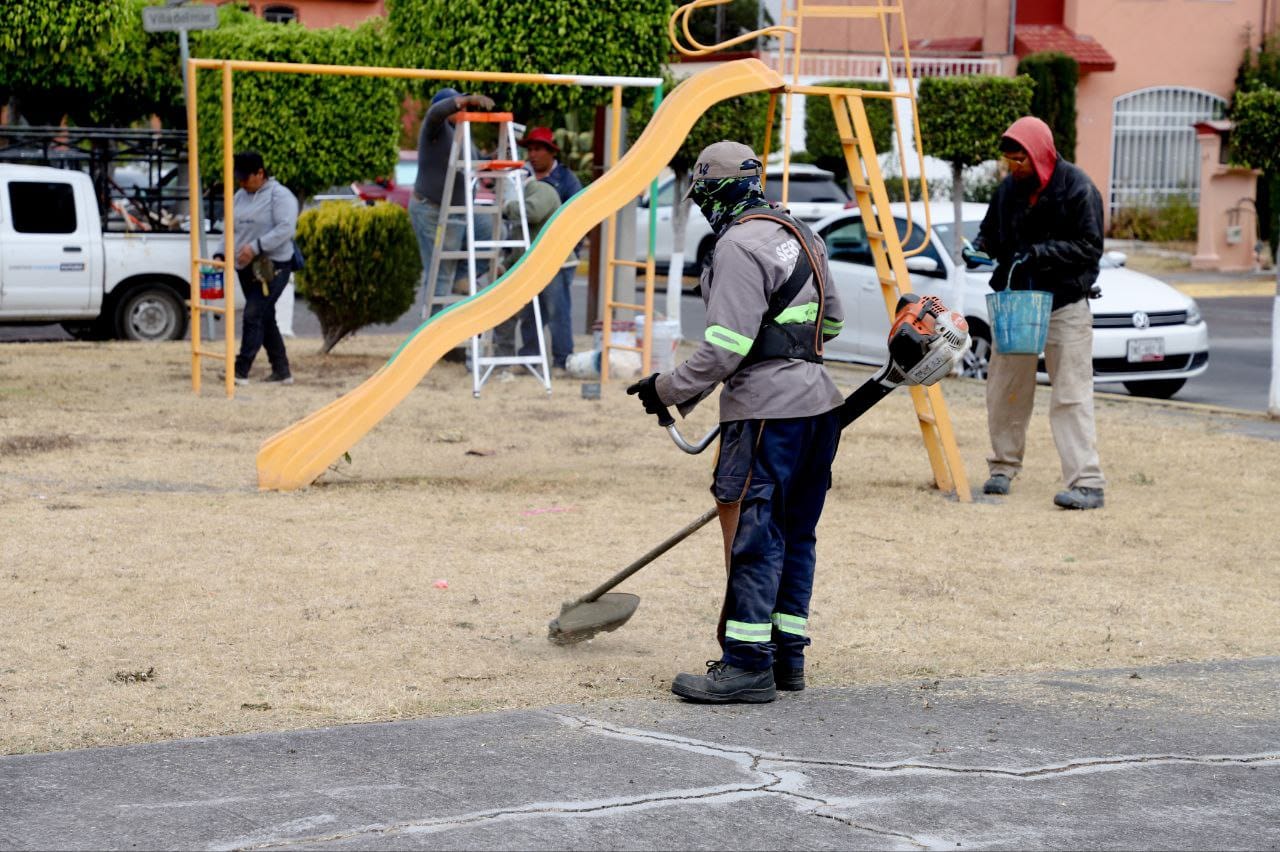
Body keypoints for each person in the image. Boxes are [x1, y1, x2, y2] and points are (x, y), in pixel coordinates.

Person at [626, 141, 846, 704]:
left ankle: (746, 664)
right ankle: (786, 659)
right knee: (798, 533)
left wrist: (666, 389)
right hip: (821, 407)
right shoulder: (803, 234)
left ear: (714, 192)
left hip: (767, 414)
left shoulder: (737, 246)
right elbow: (833, 324)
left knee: (757, 534)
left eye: (701, 196)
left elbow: (724, 348)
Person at [970, 116, 1107, 510]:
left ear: (1041, 155)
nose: (1014, 168)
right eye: (1010, 161)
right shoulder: (1008, 191)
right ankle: (1002, 467)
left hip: (1065, 303)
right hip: (1017, 303)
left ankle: (1087, 483)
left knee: (1072, 393)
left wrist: (1039, 254)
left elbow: (1089, 247)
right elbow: (990, 235)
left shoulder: (1078, 188)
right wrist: (979, 249)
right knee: (1005, 390)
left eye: (1021, 161)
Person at [408, 88, 497, 317]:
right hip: (432, 209)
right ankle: (433, 335)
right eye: (460, 104)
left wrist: (495, 158)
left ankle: (462, 278)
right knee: (439, 273)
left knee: (491, 234)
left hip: (459, 209)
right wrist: (465, 100)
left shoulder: (463, 132)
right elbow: (435, 113)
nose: (465, 108)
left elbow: (475, 164)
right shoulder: (434, 130)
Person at [212, 150, 298, 385]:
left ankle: (240, 371)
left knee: (253, 315)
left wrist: (256, 246)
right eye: (238, 178)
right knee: (264, 317)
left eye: (245, 177)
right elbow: (230, 229)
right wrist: (221, 253)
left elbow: (285, 229)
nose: (241, 182)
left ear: (260, 173)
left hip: (273, 266)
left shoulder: (280, 197)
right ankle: (282, 371)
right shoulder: (239, 196)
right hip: (246, 268)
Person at [519, 126, 583, 371]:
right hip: (527, 257)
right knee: (529, 310)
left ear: (550, 152)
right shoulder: (522, 176)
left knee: (557, 311)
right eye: (530, 150)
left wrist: (570, 249)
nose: (532, 155)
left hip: (558, 258)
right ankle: (529, 358)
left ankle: (562, 359)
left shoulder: (567, 180)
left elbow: (579, 216)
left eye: (537, 149)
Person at [491, 171, 562, 374]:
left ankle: (561, 360)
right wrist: (505, 265)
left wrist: (507, 207)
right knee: (524, 314)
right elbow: (518, 244)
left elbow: (532, 212)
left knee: (553, 314)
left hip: (549, 263)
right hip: (531, 264)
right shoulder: (526, 195)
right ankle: (513, 360)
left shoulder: (540, 190)